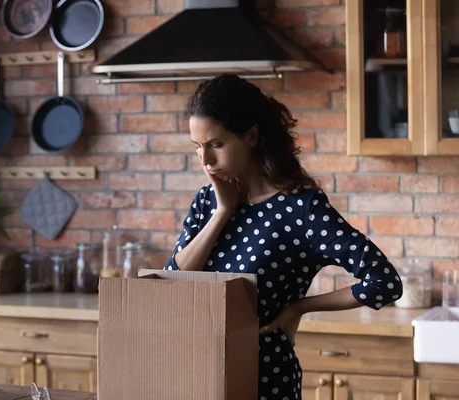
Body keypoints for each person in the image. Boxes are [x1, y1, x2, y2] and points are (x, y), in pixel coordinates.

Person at [162, 73, 403, 400]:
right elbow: (173, 282)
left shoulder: (301, 208)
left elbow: (384, 282)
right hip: (196, 373)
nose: (205, 160)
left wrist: (298, 308)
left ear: (250, 136)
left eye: (216, 144)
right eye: (198, 147)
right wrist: (222, 212)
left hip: (265, 378)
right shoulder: (209, 200)